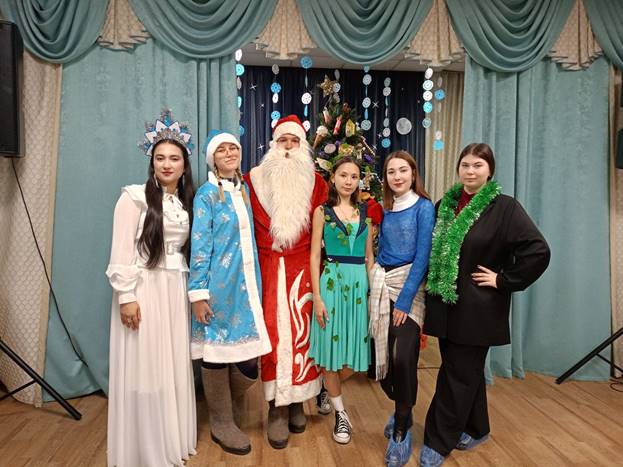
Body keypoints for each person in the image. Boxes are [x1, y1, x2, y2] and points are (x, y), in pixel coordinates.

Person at [419, 143, 551, 467]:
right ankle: (477, 429)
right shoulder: (445, 205)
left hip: (477, 311)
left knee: (456, 376)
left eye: (478, 165)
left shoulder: (504, 208)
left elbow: (538, 250)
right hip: (446, 307)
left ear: (489, 170)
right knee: (466, 373)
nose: (470, 171)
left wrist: (503, 280)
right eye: (465, 164)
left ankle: (438, 440)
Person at [106, 109, 197, 467]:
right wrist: (126, 297)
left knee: (169, 364)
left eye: (174, 158)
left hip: (175, 289)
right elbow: (120, 252)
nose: (167, 164)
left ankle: (170, 439)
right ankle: (145, 447)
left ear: (184, 165)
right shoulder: (133, 198)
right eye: (160, 158)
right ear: (152, 162)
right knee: (145, 366)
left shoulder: (186, 202)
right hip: (145, 289)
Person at [244, 115, 328, 449]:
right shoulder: (253, 180)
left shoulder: (317, 184)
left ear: (303, 146)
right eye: (283, 141)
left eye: (295, 141)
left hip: (303, 268)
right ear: (273, 145)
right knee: (273, 334)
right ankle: (276, 408)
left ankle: (297, 401)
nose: (289, 148)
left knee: (302, 334)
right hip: (268, 267)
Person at [188, 130, 271, 455]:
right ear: (212, 158)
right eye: (221, 150)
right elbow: (200, 245)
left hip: (247, 286)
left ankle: (223, 403)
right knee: (216, 354)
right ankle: (221, 421)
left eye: (232, 148)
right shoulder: (206, 195)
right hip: (218, 289)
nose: (228, 153)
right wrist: (198, 294)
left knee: (248, 360)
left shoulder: (245, 190)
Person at [367, 151, 435, 467]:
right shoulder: (384, 208)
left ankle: (402, 428)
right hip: (384, 285)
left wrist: (405, 300)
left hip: (410, 288)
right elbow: (379, 248)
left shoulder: (423, 207)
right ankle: (401, 409)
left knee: (404, 357)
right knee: (380, 366)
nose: (397, 176)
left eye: (403, 170)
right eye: (391, 171)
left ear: (413, 173)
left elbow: (423, 255)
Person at [309, 156, 374, 445]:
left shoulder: (367, 212)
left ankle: (326, 387)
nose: (348, 181)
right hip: (332, 284)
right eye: (343, 175)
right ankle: (341, 413)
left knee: (355, 358)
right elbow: (314, 256)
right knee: (330, 353)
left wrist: (373, 295)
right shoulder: (321, 212)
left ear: (359, 181)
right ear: (333, 177)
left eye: (354, 176)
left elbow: (370, 257)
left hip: (359, 287)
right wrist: (317, 297)